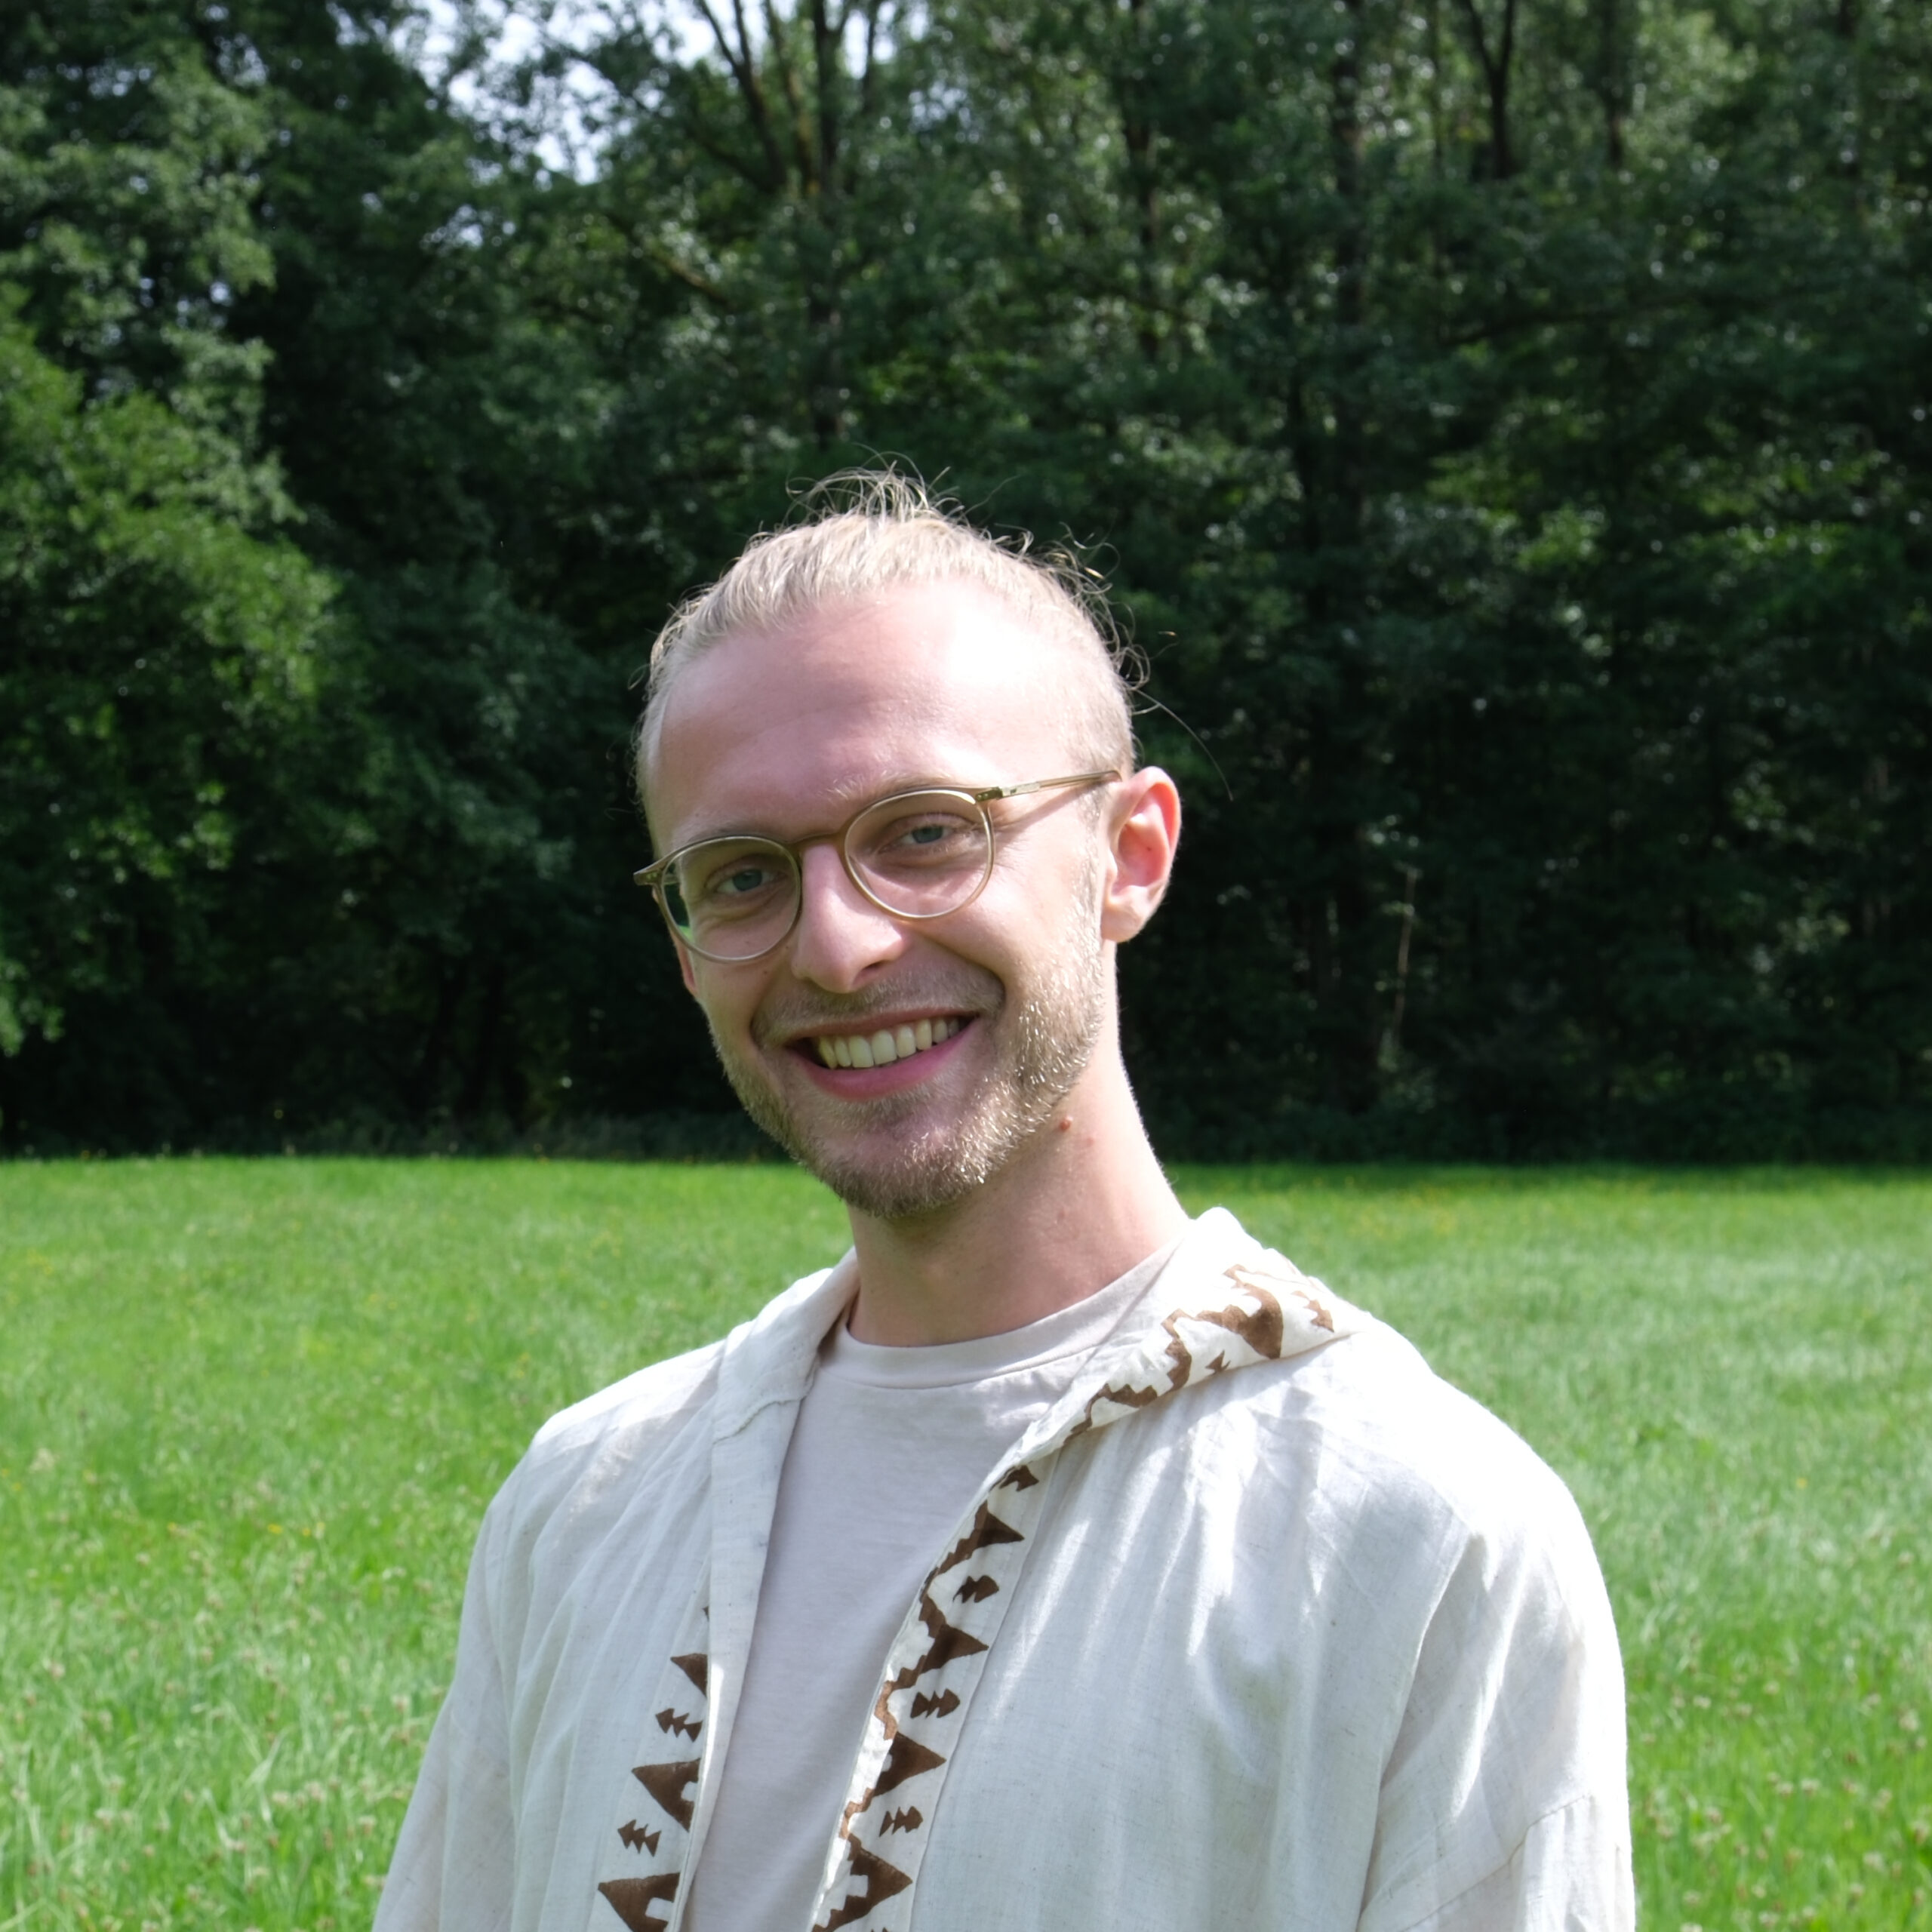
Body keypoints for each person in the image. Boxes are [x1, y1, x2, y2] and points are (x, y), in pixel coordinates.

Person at [374, 476, 1633, 1932]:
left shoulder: (1421, 1543)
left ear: (1130, 856)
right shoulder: (583, 1502)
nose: (836, 946)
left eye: (926, 831)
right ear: (685, 944)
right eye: (742, 874)